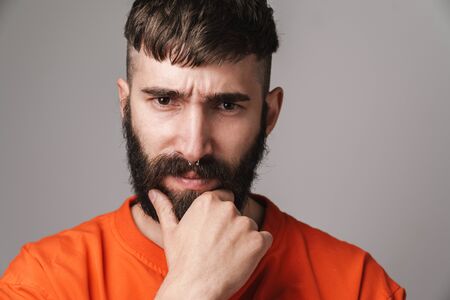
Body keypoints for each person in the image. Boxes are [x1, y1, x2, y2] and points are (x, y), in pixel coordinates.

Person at [0, 0, 406, 299]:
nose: (194, 146)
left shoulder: (358, 286)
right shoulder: (42, 283)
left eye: (227, 105)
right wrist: (189, 291)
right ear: (125, 107)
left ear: (269, 114)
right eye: (164, 100)